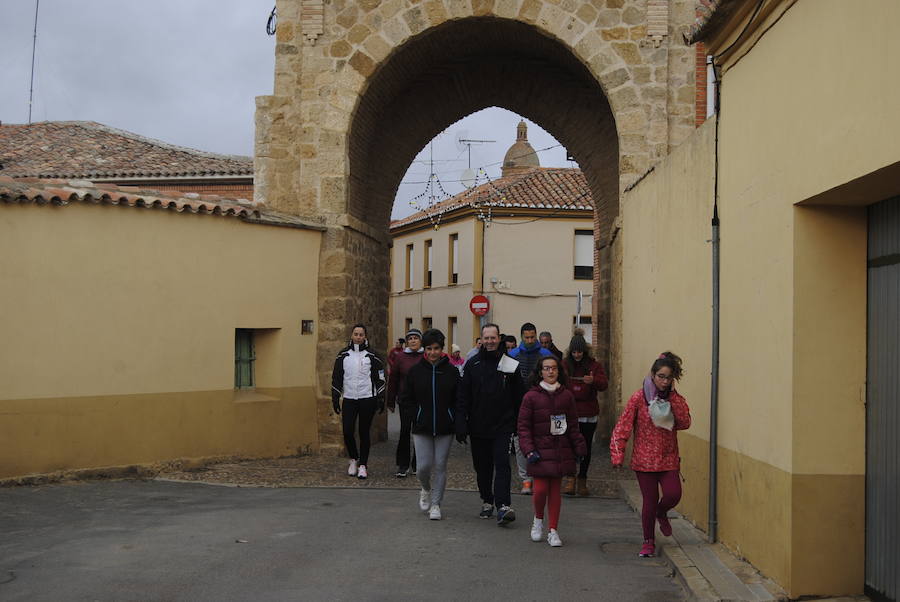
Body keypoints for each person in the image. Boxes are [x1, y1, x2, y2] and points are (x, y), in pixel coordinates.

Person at [611, 351, 691, 558]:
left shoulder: (674, 399)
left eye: (668, 378)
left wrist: (673, 397)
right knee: (649, 500)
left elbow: (684, 423)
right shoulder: (639, 398)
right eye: (661, 377)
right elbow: (623, 426)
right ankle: (648, 541)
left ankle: (661, 512)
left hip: (668, 457)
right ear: (653, 375)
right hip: (644, 460)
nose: (664, 382)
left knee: (674, 494)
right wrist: (618, 454)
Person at [456, 323, 524, 525]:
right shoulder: (472, 364)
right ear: (481, 340)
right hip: (478, 425)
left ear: (499, 339)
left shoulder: (510, 364)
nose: (490, 341)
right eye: (486, 338)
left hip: (503, 425)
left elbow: (519, 396)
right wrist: (461, 422)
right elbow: (463, 396)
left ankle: (503, 506)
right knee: (482, 467)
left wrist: (518, 423)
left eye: (493, 338)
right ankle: (487, 499)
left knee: (502, 464)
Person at [517, 355, 586, 547]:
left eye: (554, 368)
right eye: (546, 368)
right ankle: (538, 520)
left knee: (555, 491)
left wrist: (578, 445)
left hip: (560, 449)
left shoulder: (567, 396)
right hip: (539, 451)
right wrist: (529, 449)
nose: (550, 371)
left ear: (559, 371)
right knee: (539, 490)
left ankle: (553, 530)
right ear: (540, 371)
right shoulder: (531, 396)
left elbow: (573, 424)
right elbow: (523, 427)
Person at [400, 329, 460, 520]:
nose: (433, 352)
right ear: (425, 349)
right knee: (423, 467)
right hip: (422, 426)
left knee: (441, 465)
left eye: (436, 348)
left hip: (445, 427)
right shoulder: (415, 371)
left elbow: (458, 399)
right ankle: (425, 488)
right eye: (429, 349)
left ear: (442, 349)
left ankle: (436, 504)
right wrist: (415, 416)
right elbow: (406, 398)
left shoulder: (451, 372)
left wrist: (456, 419)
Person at [330, 323, 386, 480]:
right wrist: (335, 397)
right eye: (356, 334)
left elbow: (380, 377)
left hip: (367, 397)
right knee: (347, 431)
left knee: (363, 432)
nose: (358, 337)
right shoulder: (343, 355)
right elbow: (336, 377)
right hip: (349, 398)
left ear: (365, 337)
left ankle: (363, 465)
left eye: (361, 334)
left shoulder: (372, 355)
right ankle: (353, 459)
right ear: (351, 335)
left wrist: (381, 397)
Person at [562, 329, 608, 496]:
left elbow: (604, 384)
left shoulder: (594, 365)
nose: (577, 355)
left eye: (579, 351)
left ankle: (582, 479)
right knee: (569, 447)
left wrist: (593, 381)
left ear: (585, 351)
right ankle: (570, 479)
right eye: (574, 351)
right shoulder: (565, 364)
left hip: (588, 414)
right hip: (570, 413)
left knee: (586, 448)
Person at [508, 323, 552, 495]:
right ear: (521, 336)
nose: (530, 340)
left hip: (541, 404)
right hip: (518, 405)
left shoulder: (545, 354)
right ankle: (525, 479)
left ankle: (538, 476)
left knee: (541, 440)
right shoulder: (512, 355)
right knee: (520, 443)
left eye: (532, 337)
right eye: (526, 337)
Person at [386, 328, 424, 477]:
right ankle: (403, 464)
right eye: (410, 338)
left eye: (416, 338)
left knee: (420, 433)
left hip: (421, 401)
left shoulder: (425, 356)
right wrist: (390, 400)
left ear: (420, 340)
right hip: (405, 400)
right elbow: (394, 379)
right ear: (407, 341)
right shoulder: (401, 357)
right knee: (404, 431)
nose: (413, 340)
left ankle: (417, 464)